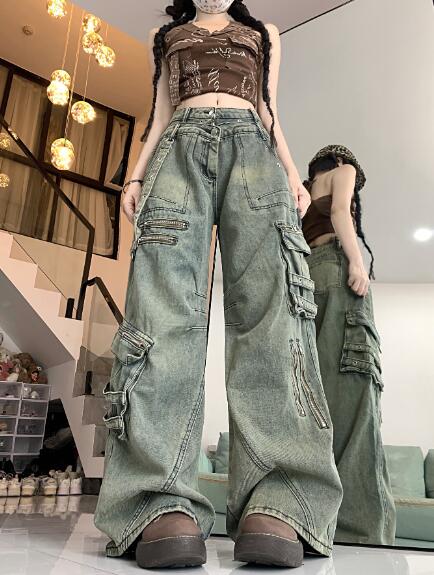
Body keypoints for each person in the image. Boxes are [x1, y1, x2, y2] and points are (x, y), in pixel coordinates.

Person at [94, 1, 343, 569]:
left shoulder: (263, 33)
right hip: (176, 149)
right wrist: (135, 175)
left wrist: (292, 173)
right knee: (161, 315)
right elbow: (159, 112)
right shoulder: (166, 34)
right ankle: (155, 498)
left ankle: (281, 496)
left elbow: (270, 110)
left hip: (254, 149)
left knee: (272, 313)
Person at [302, 144, 396, 545]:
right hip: (337, 273)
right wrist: (357, 261)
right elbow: (341, 211)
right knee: (357, 405)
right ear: (342, 162)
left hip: (307, 279)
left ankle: (314, 524)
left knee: (315, 404)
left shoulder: (303, 190)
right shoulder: (343, 172)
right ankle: (362, 535)